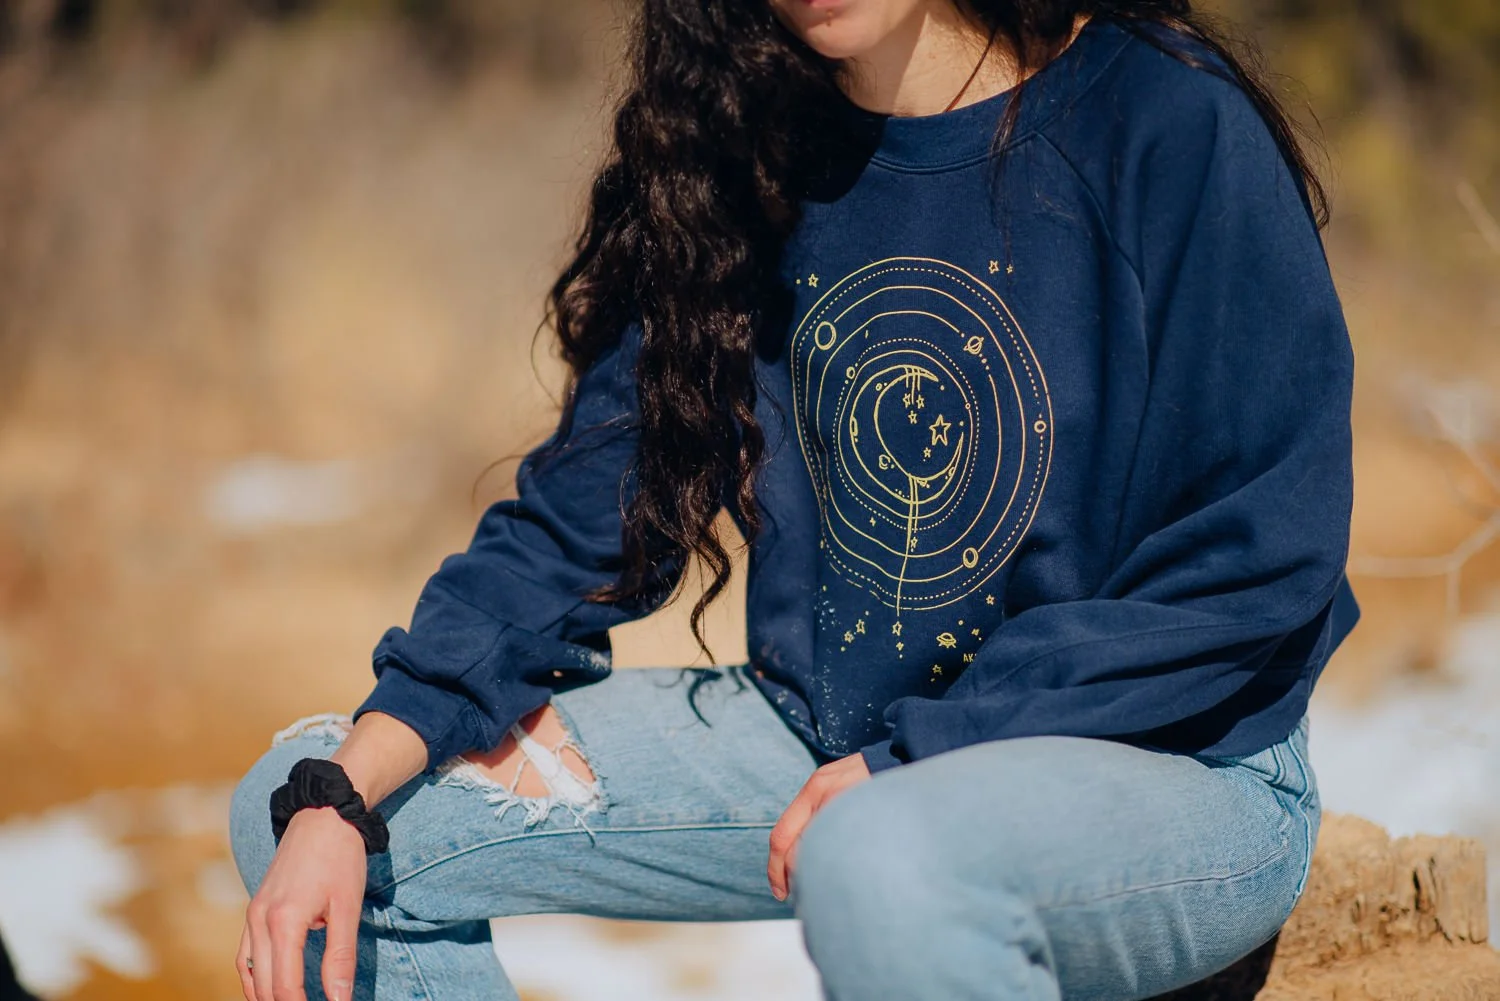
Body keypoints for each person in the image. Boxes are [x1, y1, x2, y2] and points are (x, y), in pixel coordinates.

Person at [228, 1, 1360, 999]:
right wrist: (350, 776)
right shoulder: (739, 151)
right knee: (308, 816)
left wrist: (922, 760)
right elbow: (583, 518)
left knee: (879, 855)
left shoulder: (1164, 120)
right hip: (834, 742)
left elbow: (1257, 559)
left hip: (1172, 761)